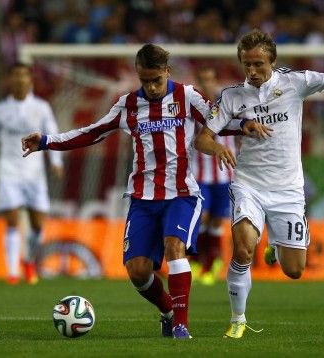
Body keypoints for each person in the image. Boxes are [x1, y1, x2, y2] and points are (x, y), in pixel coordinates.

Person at [21, 44, 267, 339]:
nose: (151, 87)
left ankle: (181, 326)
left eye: (156, 80)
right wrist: (48, 141)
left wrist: (245, 125)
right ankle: (168, 311)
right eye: (145, 81)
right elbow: (92, 132)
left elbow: (218, 122)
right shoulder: (127, 105)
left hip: (181, 194)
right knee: (138, 271)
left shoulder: (186, 96)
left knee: (175, 248)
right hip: (142, 198)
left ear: (167, 72)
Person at [194, 29, 324, 338]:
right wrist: (220, 147)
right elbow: (203, 139)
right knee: (243, 250)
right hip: (248, 184)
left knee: (294, 270)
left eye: (258, 64)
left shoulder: (295, 82)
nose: (252, 71)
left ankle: (277, 246)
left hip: (288, 189)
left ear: (273, 62)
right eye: (246, 64)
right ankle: (238, 319)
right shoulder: (231, 96)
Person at [0, 62, 63, 285]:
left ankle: (28, 260)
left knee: (37, 225)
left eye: (24, 75)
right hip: (8, 172)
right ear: (10, 80)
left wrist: (56, 160)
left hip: (35, 174)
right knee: (11, 220)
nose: (20, 79)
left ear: (30, 79)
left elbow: (53, 134)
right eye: (16, 75)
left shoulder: (41, 107)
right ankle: (12, 272)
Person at [191, 66, 237, 285]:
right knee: (203, 217)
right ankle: (198, 260)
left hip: (224, 175)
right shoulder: (193, 107)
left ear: (216, 80)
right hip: (200, 174)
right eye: (203, 79)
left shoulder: (229, 104)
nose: (207, 83)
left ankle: (213, 261)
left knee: (218, 220)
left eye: (210, 79)